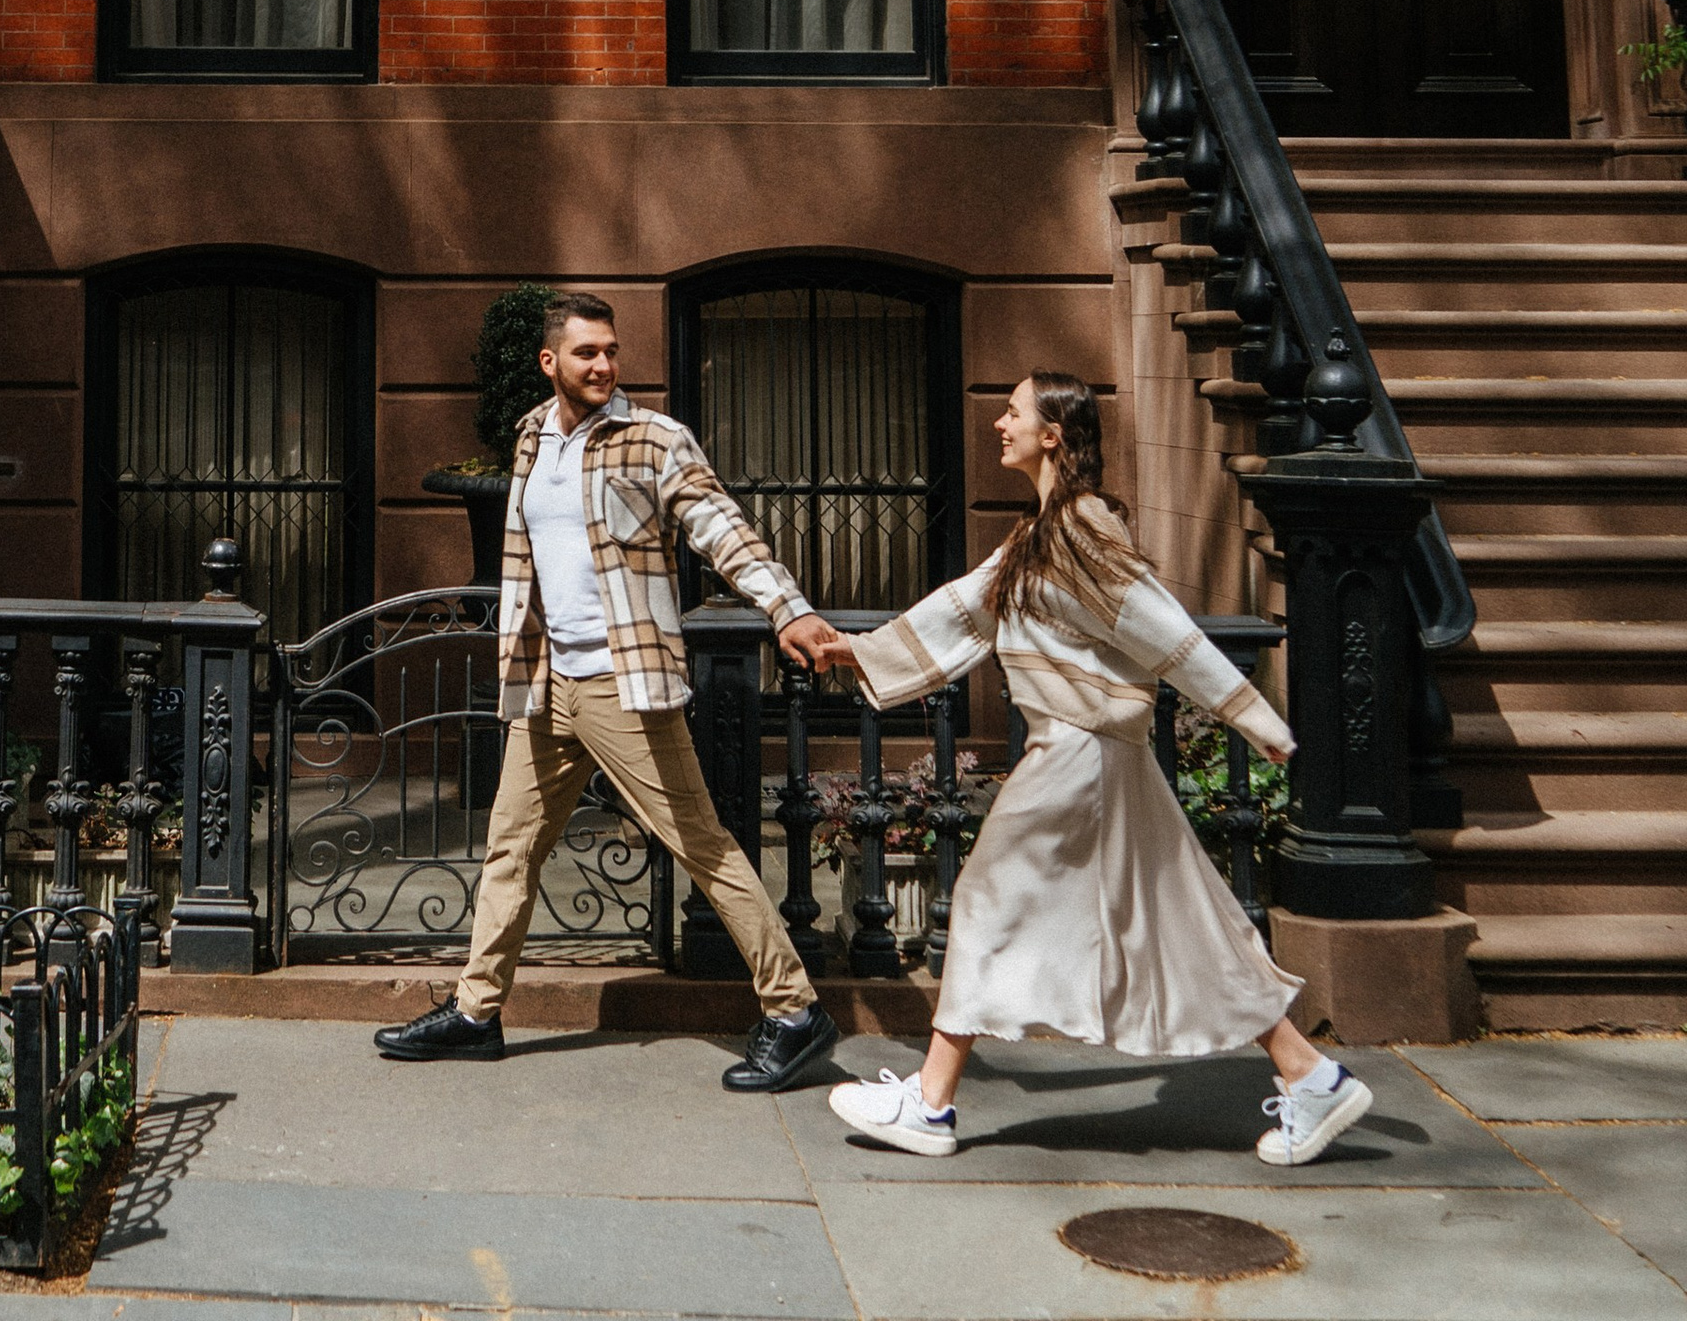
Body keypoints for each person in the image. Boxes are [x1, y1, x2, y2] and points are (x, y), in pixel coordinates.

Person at [807, 371, 1375, 1172]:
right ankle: (1312, 1076)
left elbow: (1166, 632)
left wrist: (1256, 719)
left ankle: (930, 1104)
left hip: (1079, 753)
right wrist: (856, 652)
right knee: (1177, 919)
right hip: (1095, 753)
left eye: (1013, 412)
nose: (999, 423)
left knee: (986, 898)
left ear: (1053, 435)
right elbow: (965, 609)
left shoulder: (1080, 530)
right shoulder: (1042, 533)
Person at [376, 286, 841, 1092]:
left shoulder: (654, 440)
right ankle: (477, 1013)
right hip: (545, 679)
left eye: (611, 351)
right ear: (549, 361)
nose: (603, 365)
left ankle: (797, 1012)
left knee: (701, 844)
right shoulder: (531, 438)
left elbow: (723, 530)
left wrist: (786, 608)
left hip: (623, 684)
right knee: (511, 847)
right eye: (586, 352)